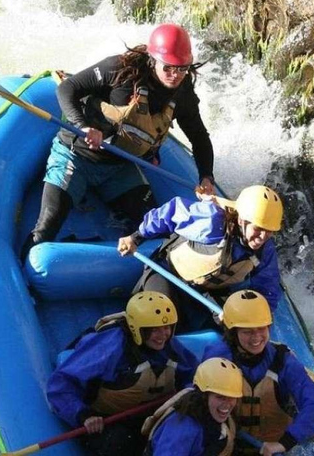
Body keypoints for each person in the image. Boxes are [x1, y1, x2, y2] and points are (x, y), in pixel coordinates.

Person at [23, 23, 215, 258]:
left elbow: (199, 137)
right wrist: (83, 126)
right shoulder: (119, 69)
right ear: (153, 59)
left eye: (182, 68)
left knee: (154, 227)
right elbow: (67, 88)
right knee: (48, 225)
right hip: (76, 155)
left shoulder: (182, 92)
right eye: (169, 68)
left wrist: (206, 175)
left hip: (120, 167)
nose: (175, 75)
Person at [46, 292, 196, 456]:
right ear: (137, 329)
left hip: (150, 414)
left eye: (167, 328)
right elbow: (61, 383)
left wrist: (186, 396)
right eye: (154, 330)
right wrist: (83, 415)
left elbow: (193, 375)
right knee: (120, 444)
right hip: (107, 420)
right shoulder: (110, 346)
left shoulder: (170, 347)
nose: (163, 336)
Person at [117, 185, 284, 331]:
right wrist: (136, 237)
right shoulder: (212, 222)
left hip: (207, 289)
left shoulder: (265, 250)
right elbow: (172, 211)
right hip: (168, 272)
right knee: (158, 321)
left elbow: (267, 287)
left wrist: (259, 320)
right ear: (242, 220)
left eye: (269, 230)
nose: (263, 236)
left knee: (239, 327)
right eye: (258, 228)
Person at [202, 290, 314, 456]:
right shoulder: (218, 357)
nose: (256, 338)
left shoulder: (283, 361)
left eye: (261, 329)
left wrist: (283, 443)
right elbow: (197, 399)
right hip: (230, 443)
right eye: (247, 331)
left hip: (275, 446)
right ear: (234, 334)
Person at [142, 357, 243, 456]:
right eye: (220, 397)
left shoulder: (218, 417)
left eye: (232, 397)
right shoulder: (183, 428)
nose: (227, 404)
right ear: (204, 396)